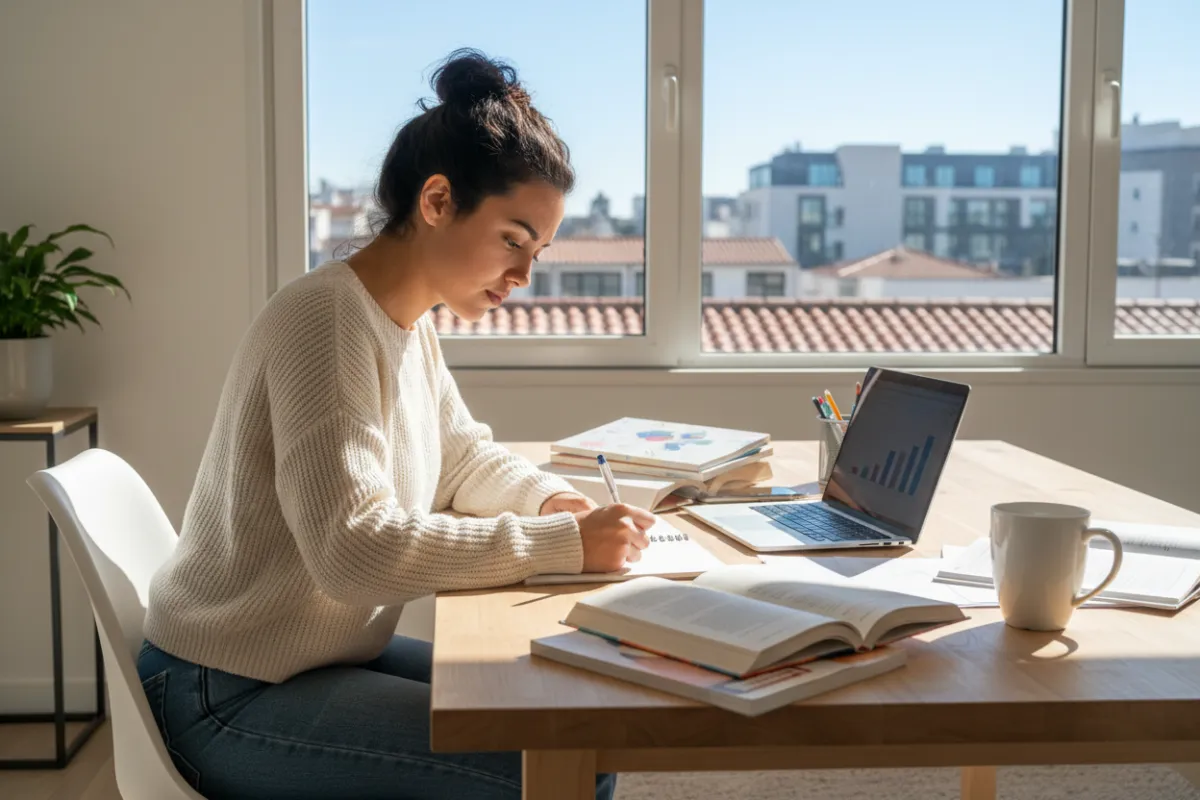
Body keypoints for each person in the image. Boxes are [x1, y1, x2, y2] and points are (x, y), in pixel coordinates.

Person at [136, 48, 653, 800]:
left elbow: (461, 460)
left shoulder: (406, 325)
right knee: (557, 760)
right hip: (223, 690)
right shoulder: (326, 320)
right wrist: (560, 544)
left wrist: (549, 501)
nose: (523, 277)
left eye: (537, 252)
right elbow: (353, 550)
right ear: (437, 201)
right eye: (513, 239)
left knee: (574, 716)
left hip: (309, 659)